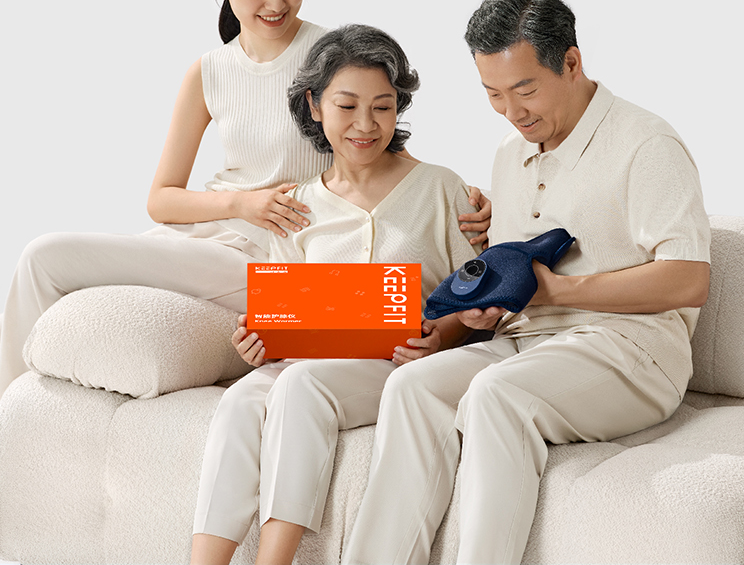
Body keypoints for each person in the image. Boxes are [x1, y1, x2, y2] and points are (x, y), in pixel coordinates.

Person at [341, 0, 711, 563]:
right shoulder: (509, 154)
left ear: (571, 63)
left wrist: (559, 292)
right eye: (493, 94)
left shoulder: (645, 143)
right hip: (526, 341)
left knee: (497, 394)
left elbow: (688, 279)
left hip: (631, 347)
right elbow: (516, 276)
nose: (512, 111)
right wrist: (484, 309)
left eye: (525, 89)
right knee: (412, 388)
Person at [0, 0, 490, 398]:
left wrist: (469, 197)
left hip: (283, 256)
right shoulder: (209, 70)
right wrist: (243, 204)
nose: (275, 5)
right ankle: (15, 409)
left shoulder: (332, 52)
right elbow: (161, 200)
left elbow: (378, 146)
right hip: (211, 241)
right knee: (44, 256)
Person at [189, 24, 482, 565]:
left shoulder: (444, 189)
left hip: (395, 364)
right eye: (347, 106)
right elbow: (285, 311)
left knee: (301, 384)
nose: (366, 125)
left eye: (383, 107)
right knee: (241, 400)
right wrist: (260, 339)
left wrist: (441, 336)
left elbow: (478, 298)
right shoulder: (296, 205)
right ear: (314, 105)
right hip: (310, 359)